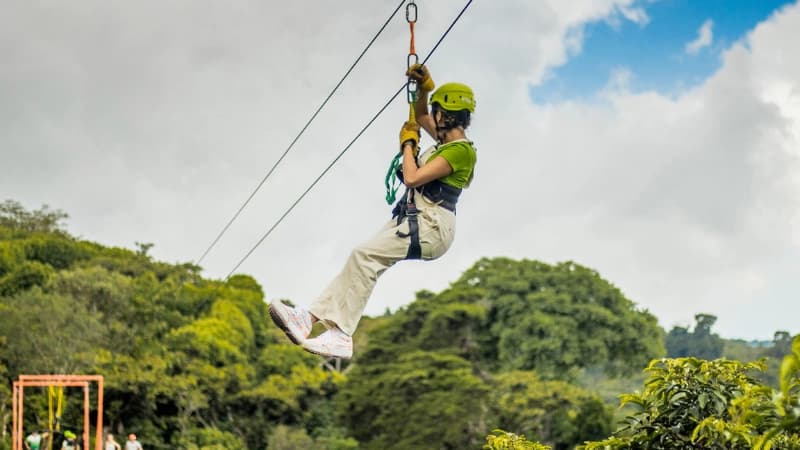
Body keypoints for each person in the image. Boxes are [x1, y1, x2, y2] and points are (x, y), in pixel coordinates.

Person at [270, 63, 477, 359]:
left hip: (432, 224)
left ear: (446, 114)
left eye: (437, 110)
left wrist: (407, 144)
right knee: (361, 256)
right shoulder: (447, 143)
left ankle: (341, 335)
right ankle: (309, 319)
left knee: (365, 257)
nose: (434, 116)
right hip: (419, 217)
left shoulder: (461, 150)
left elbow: (412, 177)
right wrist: (424, 89)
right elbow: (419, 116)